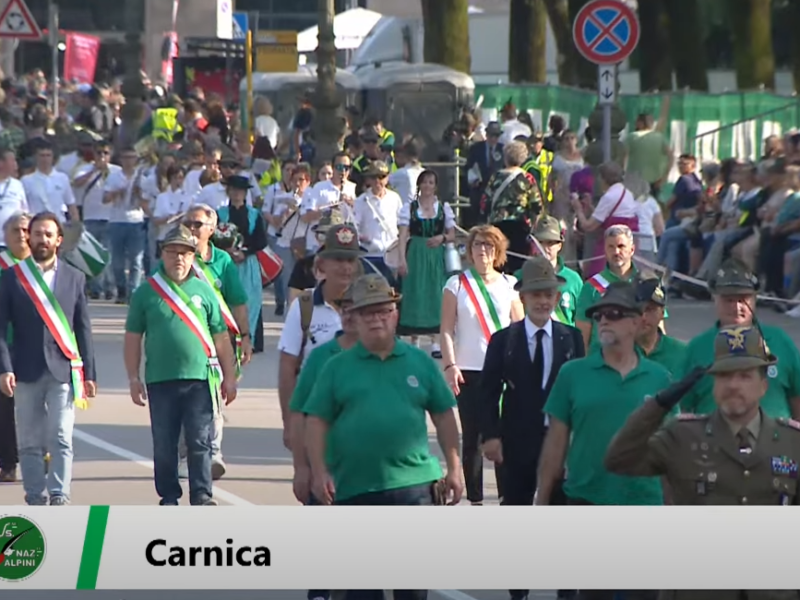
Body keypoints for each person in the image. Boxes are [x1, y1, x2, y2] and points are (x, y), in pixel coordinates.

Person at [304, 274, 463, 600]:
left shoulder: (419, 361)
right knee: (363, 591)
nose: (376, 318)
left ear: (395, 315)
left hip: (413, 488)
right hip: (355, 489)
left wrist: (455, 467)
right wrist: (318, 471)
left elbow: (445, 415)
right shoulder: (337, 367)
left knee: (412, 589)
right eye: (368, 313)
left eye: (383, 311)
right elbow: (316, 421)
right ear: (355, 319)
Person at [481, 256, 584, 600]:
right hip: (517, 442)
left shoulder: (570, 339)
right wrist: (491, 436)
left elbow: (577, 393)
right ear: (522, 297)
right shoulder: (503, 340)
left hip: (560, 443)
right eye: (536, 293)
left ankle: (566, 591)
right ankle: (519, 591)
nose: (543, 300)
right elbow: (488, 391)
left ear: (557, 298)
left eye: (549, 294)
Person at [124, 225, 237, 506]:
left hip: (200, 379)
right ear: (162, 253)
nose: (179, 258)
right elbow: (133, 338)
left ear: (193, 257)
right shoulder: (146, 292)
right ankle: (169, 494)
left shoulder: (204, 290)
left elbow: (221, 336)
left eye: (185, 253)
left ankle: (201, 494)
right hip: (160, 380)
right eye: (173, 252)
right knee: (165, 444)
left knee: (200, 442)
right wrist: (133, 378)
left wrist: (230, 376)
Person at [537, 281, 672, 507]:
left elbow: (669, 447)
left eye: (614, 314)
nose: (604, 320)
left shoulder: (660, 378)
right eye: (598, 316)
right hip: (585, 499)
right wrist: (542, 498)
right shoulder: (572, 374)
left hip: (645, 500)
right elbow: (555, 443)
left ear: (635, 322)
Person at [0, 212, 96, 505]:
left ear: (59, 240)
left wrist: (89, 373)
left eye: (48, 234)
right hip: (24, 369)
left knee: (61, 435)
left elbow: (83, 327)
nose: (42, 239)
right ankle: (34, 495)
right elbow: (0, 328)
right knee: (29, 441)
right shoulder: (10, 278)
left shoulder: (75, 277)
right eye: (37, 233)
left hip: (63, 369)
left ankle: (58, 493)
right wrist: (4, 369)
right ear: (29, 237)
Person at [440, 224, 523, 505]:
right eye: (478, 245)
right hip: (469, 370)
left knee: (505, 434)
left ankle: (504, 496)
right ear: (470, 250)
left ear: (497, 250)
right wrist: (450, 366)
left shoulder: (510, 284)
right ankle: (475, 500)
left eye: (489, 245)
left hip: (503, 371)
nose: (483, 251)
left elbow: (519, 328)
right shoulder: (457, 284)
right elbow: (446, 330)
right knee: (473, 438)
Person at [178, 204, 252, 479]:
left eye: (198, 224)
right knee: (186, 400)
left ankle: (213, 451)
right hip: (185, 341)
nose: (193, 229)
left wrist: (246, 337)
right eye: (189, 223)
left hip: (218, 341)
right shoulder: (175, 257)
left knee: (215, 399)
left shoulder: (222, 262)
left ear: (211, 229)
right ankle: (186, 455)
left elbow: (238, 301)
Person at [680, 259, 800, 420]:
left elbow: (797, 400)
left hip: (775, 441)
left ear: (755, 298)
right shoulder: (697, 348)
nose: (736, 307)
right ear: (714, 297)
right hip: (714, 441)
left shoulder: (780, 342)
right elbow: (684, 408)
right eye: (728, 300)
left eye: (743, 299)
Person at [277, 224, 363, 449]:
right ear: (322, 263)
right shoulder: (303, 306)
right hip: (314, 414)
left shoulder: (369, 307)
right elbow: (287, 368)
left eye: (350, 260)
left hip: (359, 414)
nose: (345, 267)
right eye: (338, 259)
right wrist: (289, 423)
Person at [396, 170, 456, 356]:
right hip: (416, 252)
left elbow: (453, 234)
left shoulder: (443, 207)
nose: (428, 186)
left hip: (436, 254)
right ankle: (415, 339)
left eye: (431, 182)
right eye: (425, 182)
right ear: (419, 185)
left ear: (435, 186)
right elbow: (403, 235)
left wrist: (442, 238)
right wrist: (402, 259)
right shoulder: (410, 207)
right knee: (415, 292)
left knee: (436, 292)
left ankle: (435, 340)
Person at [216, 175, 268, 351]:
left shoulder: (254, 215)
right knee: (225, 298)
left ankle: (249, 338)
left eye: (241, 191)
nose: (237, 194)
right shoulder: (220, 214)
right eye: (234, 190)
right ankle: (227, 338)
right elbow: (214, 237)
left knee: (250, 298)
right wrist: (227, 251)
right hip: (226, 261)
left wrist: (245, 252)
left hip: (248, 263)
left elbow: (261, 240)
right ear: (229, 192)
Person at [0, 211, 31, 482]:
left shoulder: (46, 266)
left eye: (25, 230)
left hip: (36, 345)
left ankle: (43, 453)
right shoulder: (1, 265)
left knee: (39, 402)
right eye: (15, 230)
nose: (21, 235)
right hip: (4, 344)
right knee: (5, 406)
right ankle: (8, 462)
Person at [481, 141, 543, 274]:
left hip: (497, 225)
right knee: (518, 264)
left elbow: (485, 202)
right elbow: (537, 205)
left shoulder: (496, 177)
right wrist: (533, 224)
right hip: (520, 225)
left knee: (498, 261)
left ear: (505, 157)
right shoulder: (528, 178)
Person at [575, 225, 639, 351]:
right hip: (599, 362)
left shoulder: (645, 283)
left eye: (621, 246)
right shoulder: (591, 286)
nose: (616, 252)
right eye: (611, 247)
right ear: (605, 250)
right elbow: (582, 334)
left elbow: (657, 328)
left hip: (639, 362)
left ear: (632, 249)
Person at [571, 161, 639, 279]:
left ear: (603, 179)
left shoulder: (609, 196)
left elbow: (588, 226)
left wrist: (578, 209)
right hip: (627, 240)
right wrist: (591, 207)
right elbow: (607, 215)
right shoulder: (627, 193)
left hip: (612, 241)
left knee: (598, 277)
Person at [514, 216, 583, 326]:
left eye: (550, 242)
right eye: (540, 242)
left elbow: (581, 319)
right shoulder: (519, 277)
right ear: (532, 244)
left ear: (559, 245)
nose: (544, 247)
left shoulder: (574, 279)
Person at [73, 139, 117, 299]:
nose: (102, 156)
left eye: (106, 153)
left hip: (111, 218)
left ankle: (110, 287)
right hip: (91, 217)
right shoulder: (84, 169)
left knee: (108, 256)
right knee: (92, 256)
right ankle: (96, 288)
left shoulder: (116, 171)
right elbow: (76, 183)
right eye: (99, 153)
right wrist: (94, 171)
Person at [102, 146, 147, 304]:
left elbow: (147, 201)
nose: (129, 161)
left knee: (136, 259)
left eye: (132, 158)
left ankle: (133, 292)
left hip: (136, 220)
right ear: (121, 160)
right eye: (125, 158)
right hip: (117, 221)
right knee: (117, 260)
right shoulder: (114, 177)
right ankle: (121, 289)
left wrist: (139, 193)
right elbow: (105, 198)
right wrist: (116, 193)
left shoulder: (141, 177)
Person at [354, 161, 403, 285]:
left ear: (387, 178)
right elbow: (354, 226)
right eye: (373, 177)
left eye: (381, 177)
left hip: (391, 255)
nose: (377, 181)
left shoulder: (395, 198)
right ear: (368, 179)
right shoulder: (361, 201)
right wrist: (362, 238)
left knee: (392, 291)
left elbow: (402, 224)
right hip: (370, 254)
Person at [634, 273, 687, 377]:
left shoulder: (681, 354)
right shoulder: (617, 351)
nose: (643, 317)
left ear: (662, 313)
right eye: (638, 309)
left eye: (650, 309)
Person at [21, 141, 79, 223]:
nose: (45, 159)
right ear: (36, 157)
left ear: (53, 157)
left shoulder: (62, 178)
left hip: (59, 223)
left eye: (48, 155)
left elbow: (71, 204)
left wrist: (76, 224)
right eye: (42, 155)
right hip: (36, 224)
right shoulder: (26, 180)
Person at [152, 164, 192, 256]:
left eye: (181, 178)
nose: (178, 181)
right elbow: (156, 220)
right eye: (175, 178)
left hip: (182, 238)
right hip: (164, 236)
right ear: (170, 179)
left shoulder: (188, 197)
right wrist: (169, 218)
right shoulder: (162, 197)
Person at [0, 148, 28, 243]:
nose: (16, 164)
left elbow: (24, 211)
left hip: (12, 242)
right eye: (12, 160)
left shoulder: (17, 185)